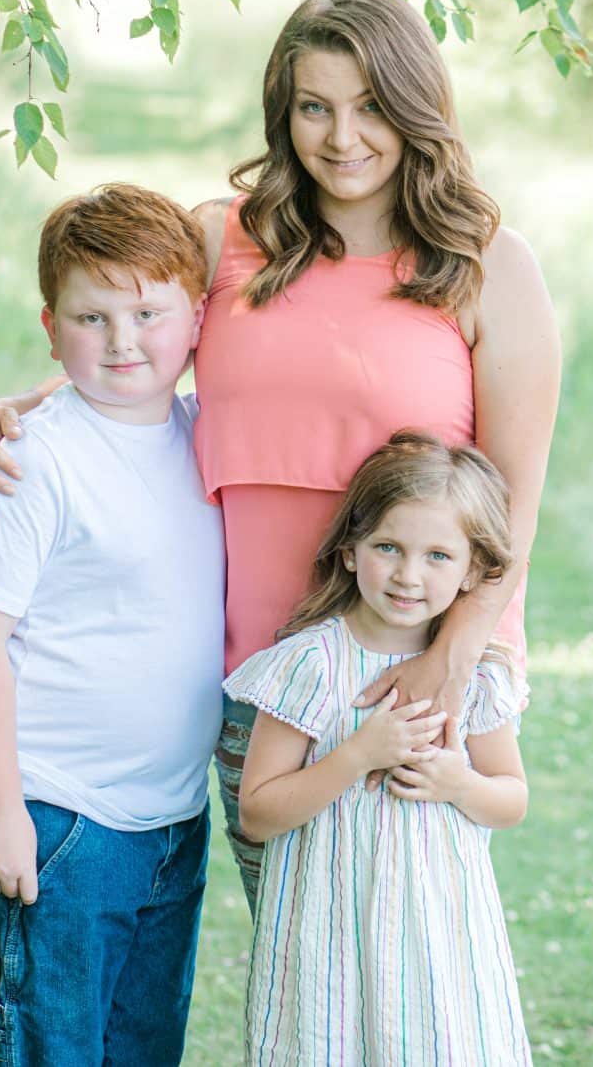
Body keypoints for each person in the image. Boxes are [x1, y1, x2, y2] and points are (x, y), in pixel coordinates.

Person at [0, 0, 561, 906]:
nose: (343, 136)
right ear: (284, 113)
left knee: (406, 968)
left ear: (416, 107)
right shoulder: (224, 239)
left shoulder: (488, 266)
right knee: (298, 962)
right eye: (315, 106)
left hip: (413, 665)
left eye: (371, 107)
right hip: (264, 676)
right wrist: (13, 408)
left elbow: (513, 507)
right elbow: (126, 356)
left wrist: (451, 660)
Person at [0, 184, 223, 1064]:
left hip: (172, 822)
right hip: (59, 821)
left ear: (197, 318)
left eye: (147, 311)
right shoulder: (31, 458)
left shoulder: (203, 436)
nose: (123, 340)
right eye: (91, 317)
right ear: (51, 327)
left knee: (143, 1048)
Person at [227, 429, 530, 1063]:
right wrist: (356, 755)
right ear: (349, 551)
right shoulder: (308, 664)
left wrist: (459, 784)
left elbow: (511, 799)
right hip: (326, 935)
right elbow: (256, 814)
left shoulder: (472, 676)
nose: (407, 575)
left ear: (475, 568)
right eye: (387, 547)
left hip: (441, 938)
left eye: (438, 557)